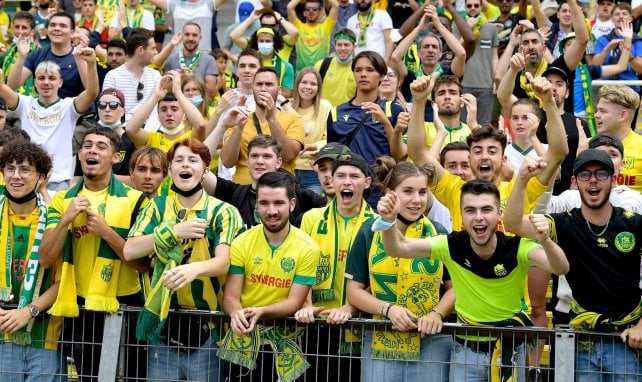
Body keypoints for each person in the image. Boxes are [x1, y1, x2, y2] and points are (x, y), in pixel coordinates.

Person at [378, 179, 569, 381]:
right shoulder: (451, 245)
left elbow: (561, 267)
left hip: (510, 352)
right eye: (470, 210)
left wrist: (545, 240)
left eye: (486, 210)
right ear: (462, 214)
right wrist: (389, 222)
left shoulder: (517, 247)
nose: (478, 217)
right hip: (465, 354)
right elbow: (397, 248)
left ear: (499, 215)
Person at [504, 149, 642, 380]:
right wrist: (523, 179)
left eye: (601, 173)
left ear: (614, 180)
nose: (593, 180)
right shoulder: (564, 223)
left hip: (627, 340)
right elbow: (512, 223)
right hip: (582, 342)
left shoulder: (633, 223)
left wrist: (641, 327)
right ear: (575, 182)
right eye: (585, 175)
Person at [124, 138, 243, 381]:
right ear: (171, 169)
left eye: (192, 160)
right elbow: (130, 250)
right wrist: (174, 232)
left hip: (208, 327)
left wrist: (193, 269)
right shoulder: (155, 207)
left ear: (205, 170)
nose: (185, 165)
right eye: (178, 160)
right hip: (163, 324)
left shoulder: (224, 211)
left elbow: (224, 262)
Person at [39, 127, 149, 380]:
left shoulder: (136, 200)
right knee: (88, 377)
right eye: (87, 145)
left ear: (116, 157)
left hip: (124, 303)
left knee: (130, 376)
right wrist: (66, 220)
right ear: (79, 155)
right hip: (80, 305)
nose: (92, 150)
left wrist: (107, 232)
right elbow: (46, 258)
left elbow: (143, 265)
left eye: (101, 146)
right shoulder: (61, 201)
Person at [407, 73, 567, 232]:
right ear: (469, 159)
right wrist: (419, 101)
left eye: (492, 151)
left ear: (503, 158)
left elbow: (557, 153)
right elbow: (417, 153)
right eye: (477, 151)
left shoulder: (519, 189)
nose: (484, 156)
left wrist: (548, 102)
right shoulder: (454, 189)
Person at [345, 158, 454, 382]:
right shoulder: (368, 231)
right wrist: (388, 310)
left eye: (423, 192)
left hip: (431, 341)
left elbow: (455, 288)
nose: (417, 200)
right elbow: (354, 291)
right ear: (390, 193)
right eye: (408, 191)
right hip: (381, 338)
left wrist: (437, 313)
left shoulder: (440, 231)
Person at [219, 171, 320, 382]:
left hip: (286, 345)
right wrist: (236, 313)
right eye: (264, 203)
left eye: (278, 203)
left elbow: (295, 301)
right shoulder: (241, 241)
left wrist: (261, 312)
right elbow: (230, 297)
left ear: (292, 204)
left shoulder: (308, 247)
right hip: (243, 341)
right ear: (257, 204)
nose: (271, 211)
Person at [295, 152, 376, 381]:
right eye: (340, 175)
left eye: (354, 176)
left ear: (367, 182)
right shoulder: (310, 218)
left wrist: (350, 308)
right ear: (332, 181)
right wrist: (306, 304)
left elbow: (378, 276)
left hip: (357, 327)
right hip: (314, 325)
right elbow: (300, 266)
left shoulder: (378, 224)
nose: (347, 181)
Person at [0, 143, 63, 381]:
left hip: (43, 337)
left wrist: (29, 311)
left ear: (42, 178)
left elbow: (62, 280)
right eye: (10, 168)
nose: (16, 176)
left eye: (25, 170)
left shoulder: (55, 218)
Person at [0, 51, 99, 191]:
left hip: (58, 181)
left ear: (60, 83)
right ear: (35, 82)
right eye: (41, 78)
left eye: (52, 78)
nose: (46, 82)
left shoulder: (68, 107)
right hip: (28, 179)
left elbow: (92, 92)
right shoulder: (25, 103)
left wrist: (91, 63)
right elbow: (2, 88)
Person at [203, 134, 325, 227]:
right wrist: (222, 123)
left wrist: (323, 173)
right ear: (248, 161)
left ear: (278, 162)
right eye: (254, 156)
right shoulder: (233, 193)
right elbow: (198, 165)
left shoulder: (299, 195)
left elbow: (335, 208)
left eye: (267, 156)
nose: (260, 161)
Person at [220, 67, 305, 184]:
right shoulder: (240, 118)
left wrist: (271, 119)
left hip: (279, 192)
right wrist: (239, 127)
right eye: (259, 84)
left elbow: (288, 156)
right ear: (253, 88)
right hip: (244, 192)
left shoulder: (293, 119)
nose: (263, 89)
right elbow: (227, 162)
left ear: (279, 90)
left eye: (269, 84)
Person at [329, 51, 405, 167]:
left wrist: (385, 122)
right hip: (348, 182)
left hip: (381, 182)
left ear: (381, 75)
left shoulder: (393, 110)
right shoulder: (336, 113)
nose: (363, 74)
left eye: (370, 70)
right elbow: (332, 155)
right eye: (358, 70)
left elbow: (399, 155)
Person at [7, 12, 90, 100]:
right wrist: (22, 56)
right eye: (52, 25)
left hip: (75, 111)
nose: (57, 28)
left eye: (63, 26)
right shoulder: (37, 54)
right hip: (44, 111)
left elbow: (91, 90)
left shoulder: (83, 55)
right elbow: (12, 85)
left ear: (72, 33)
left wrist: (80, 57)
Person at [126, 70, 207, 151]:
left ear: (185, 115)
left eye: (174, 109)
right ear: (158, 116)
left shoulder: (191, 138)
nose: (169, 113)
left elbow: (201, 125)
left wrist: (178, 92)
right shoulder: (152, 139)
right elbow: (131, 129)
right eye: (163, 110)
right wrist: (156, 97)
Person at [103, 28, 161, 130]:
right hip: (121, 132)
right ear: (141, 50)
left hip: (149, 132)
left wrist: (146, 135)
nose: (156, 52)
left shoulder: (156, 75)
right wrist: (124, 134)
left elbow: (156, 112)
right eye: (153, 48)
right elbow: (108, 112)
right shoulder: (113, 76)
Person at [594, 83, 642, 193]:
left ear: (622, 116)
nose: (596, 115)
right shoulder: (587, 144)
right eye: (597, 110)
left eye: (603, 111)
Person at [292, 68, 333, 195]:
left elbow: (331, 138)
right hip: (288, 169)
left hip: (313, 170)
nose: (308, 87)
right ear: (297, 84)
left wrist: (311, 146)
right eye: (304, 82)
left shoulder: (325, 107)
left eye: (313, 84)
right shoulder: (286, 106)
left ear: (319, 88)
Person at [159, 22, 220, 99]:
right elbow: (164, 89)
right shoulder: (171, 59)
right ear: (182, 37)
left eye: (194, 35)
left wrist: (192, 78)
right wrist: (177, 79)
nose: (190, 38)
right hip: (176, 107)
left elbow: (212, 92)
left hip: (199, 108)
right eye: (187, 34)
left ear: (200, 38)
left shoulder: (209, 60)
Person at [287, 0, 339, 73]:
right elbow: (289, 7)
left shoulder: (326, 27)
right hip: (301, 74)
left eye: (314, 9)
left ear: (320, 12)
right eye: (308, 9)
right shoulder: (298, 27)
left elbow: (336, 5)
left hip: (321, 73)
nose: (311, 11)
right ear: (304, 13)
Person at [314, 28, 357, 107]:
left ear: (354, 47)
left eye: (346, 45)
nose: (342, 48)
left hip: (347, 116)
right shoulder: (322, 65)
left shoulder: (358, 69)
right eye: (339, 45)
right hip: (323, 114)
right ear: (335, 46)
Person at [0, 12, 38, 97]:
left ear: (32, 32)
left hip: (28, 104)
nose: (20, 32)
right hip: (6, 101)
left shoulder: (38, 53)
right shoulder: (8, 50)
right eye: (17, 27)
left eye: (24, 28)